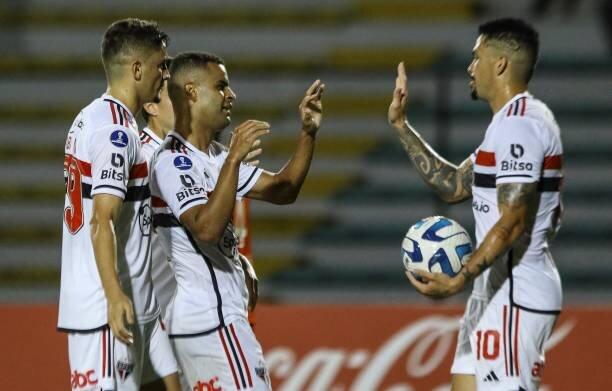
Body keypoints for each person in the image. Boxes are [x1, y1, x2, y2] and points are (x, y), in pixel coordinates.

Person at [388, 18, 563, 391]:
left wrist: (458, 278)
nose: (470, 68)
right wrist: (402, 126)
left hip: (516, 292)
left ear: (499, 64)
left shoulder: (521, 125)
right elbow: (453, 185)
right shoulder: (504, 125)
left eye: (476, 57)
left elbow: (513, 221)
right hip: (491, 291)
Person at [149, 51, 324, 390]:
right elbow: (206, 228)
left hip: (206, 324)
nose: (231, 96)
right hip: (212, 323)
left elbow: (283, 189)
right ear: (191, 92)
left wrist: (308, 133)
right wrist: (233, 160)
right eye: (221, 86)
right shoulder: (173, 161)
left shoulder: (213, 156)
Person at [58, 18, 181, 390]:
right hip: (106, 311)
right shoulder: (116, 132)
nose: (165, 76)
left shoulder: (89, 118)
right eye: (161, 66)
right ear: (137, 69)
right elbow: (101, 220)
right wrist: (114, 295)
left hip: (114, 308)